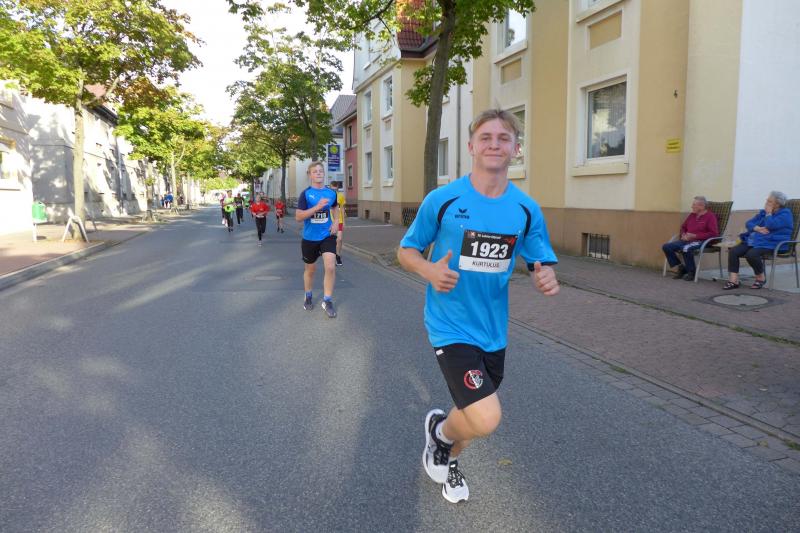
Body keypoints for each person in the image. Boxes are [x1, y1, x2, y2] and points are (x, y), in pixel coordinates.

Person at [397, 109, 560, 504]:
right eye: (485, 137)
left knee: (469, 410)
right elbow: (407, 250)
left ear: (516, 149)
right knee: (486, 417)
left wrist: (545, 276)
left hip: (493, 330)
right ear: (471, 146)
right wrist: (428, 271)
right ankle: (441, 436)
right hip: (449, 325)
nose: (494, 144)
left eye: (504, 138)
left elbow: (540, 259)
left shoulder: (526, 209)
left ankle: (447, 452)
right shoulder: (443, 200)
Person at [723, 191, 794, 290]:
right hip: (757, 240)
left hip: (774, 242)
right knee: (734, 251)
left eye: (769, 201)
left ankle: (760, 277)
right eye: (767, 200)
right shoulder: (763, 213)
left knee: (751, 254)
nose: (766, 202)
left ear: (777, 204)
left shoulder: (785, 214)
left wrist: (768, 214)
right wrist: (756, 228)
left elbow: (771, 225)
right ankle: (734, 280)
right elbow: (749, 223)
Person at [295, 161, 339, 318]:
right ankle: (308, 295)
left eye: (321, 171)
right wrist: (317, 207)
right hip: (310, 238)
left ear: (324, 173)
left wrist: (336, 222)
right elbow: (298, 217)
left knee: (330, 267)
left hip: (327, 235)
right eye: (315, 171)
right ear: (310, 175)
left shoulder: (331, 193)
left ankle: (327, 300)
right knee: (310, 270)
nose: (319, 173)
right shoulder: (306, 194)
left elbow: (335, 207)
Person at [661, 196, 719, 281]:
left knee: (686, 248)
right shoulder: (692, 215)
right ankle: (682, 268)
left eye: (694, 205)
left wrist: (695, 236)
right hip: (687, 240)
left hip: (701, 241)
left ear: (702, 206)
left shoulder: (710, 217)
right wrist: (683, 235)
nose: (692, 207)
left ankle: (691, 272)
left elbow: (714, 234)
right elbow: (683, 227)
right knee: (667, 246)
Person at [329, 180, 346, 266]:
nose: (334, 191)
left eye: (335, 190)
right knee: (331, 240)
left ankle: (338, 256)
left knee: (339, 239)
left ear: (337, 189)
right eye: (332, 189)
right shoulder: (327, 196)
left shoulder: (340, 196)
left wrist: (344, 221)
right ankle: (332, 256)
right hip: (329, 222)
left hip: (339, 221)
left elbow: (342, 209)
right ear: (330, 188)